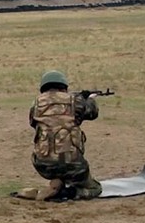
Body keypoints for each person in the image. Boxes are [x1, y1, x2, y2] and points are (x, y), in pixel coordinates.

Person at [19, 70, 103, 201]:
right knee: (95, 188)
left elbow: (33, 123)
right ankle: (68, 193)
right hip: (74, 165)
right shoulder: (75, 100)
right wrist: (89, 100)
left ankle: (56, 184)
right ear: (64, 85)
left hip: (43, 165)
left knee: (57, 162)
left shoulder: (36, 103)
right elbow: (93, 113)